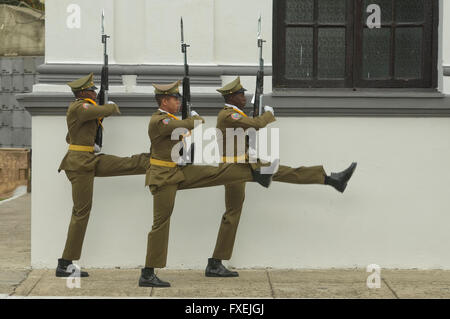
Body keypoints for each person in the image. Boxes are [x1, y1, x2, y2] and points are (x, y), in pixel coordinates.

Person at [206, 77, 357, 277]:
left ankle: (331, 179)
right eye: (241, 94)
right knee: (233, 213)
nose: (244, 97)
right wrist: (267, 115)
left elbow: (249, 130)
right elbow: (254, 124)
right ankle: (215, 263)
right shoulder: (227, 115)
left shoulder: (235, 114)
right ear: (232, 97)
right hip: (234, 169)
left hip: (247, 164)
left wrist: (258, 115)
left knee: (283, 174)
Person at [139, 80, 276, 287]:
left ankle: (250, 173)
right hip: (163, 178)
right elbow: (186, 125)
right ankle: (148, 273)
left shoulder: (171, 118)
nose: (178, 101)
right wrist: (192, 118)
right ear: (164, 101)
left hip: (178, 172)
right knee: (161, 223)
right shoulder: (160, 121)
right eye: (175, 99)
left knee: (215, 172)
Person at [56, 73, 151, 278]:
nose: (95, 92)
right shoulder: (79, 107)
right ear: (83, 92)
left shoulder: (83, 109)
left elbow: (70, 135)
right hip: (80, 166)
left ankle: (154, 160)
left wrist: (89, 143)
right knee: (81, 212)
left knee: (125, 163)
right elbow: (109, 109)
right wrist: (110, 104)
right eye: (92, 90)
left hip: (89, 160)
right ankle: (65, 263)